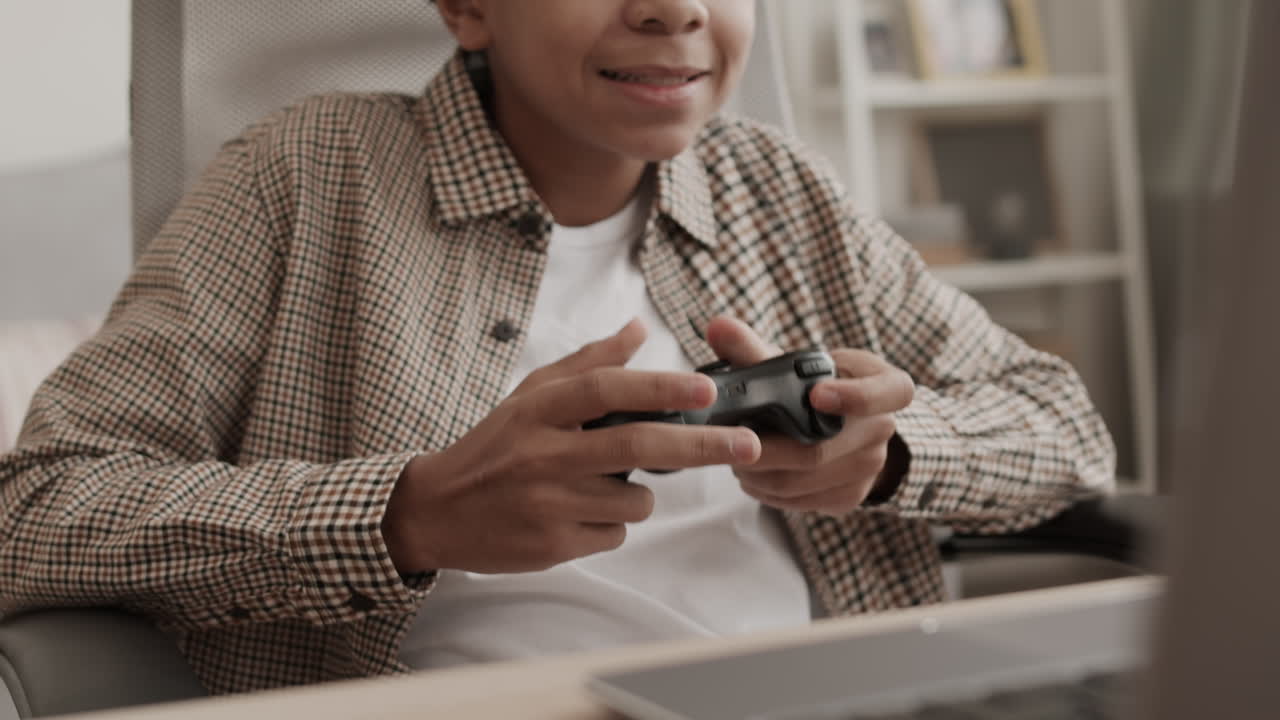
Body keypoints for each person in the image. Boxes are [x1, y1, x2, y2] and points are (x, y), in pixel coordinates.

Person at [0, 0, 1114, 696]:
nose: (673, 9)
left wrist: (893, 455)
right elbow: (32, 513)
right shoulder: (302, 177)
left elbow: (1063, 426)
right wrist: (408, 512)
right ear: (466, 5)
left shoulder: (776, 188)